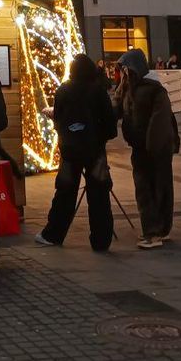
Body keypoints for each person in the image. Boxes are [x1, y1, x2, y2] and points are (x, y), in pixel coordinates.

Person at [36, 54, 118, 252]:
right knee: (99, 194)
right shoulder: (98, 91)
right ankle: (101, 240)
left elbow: (59, 118)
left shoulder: (64, 89)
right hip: (95, 150)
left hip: (70, 150)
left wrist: (67, 135)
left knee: (65, 192)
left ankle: (53, 234)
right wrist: (101, 138)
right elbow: (110, 122)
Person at [116, 49, 180, 249]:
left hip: (154, 149)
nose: (123, 73)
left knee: (154, 187)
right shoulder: (128, 89)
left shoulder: (154, 90)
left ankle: (154, 232)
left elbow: (160, 121)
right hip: (140, 147)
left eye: (125, 69)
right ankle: (158, 229)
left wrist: (152, 146)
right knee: (148, 188)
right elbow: (116, 110)